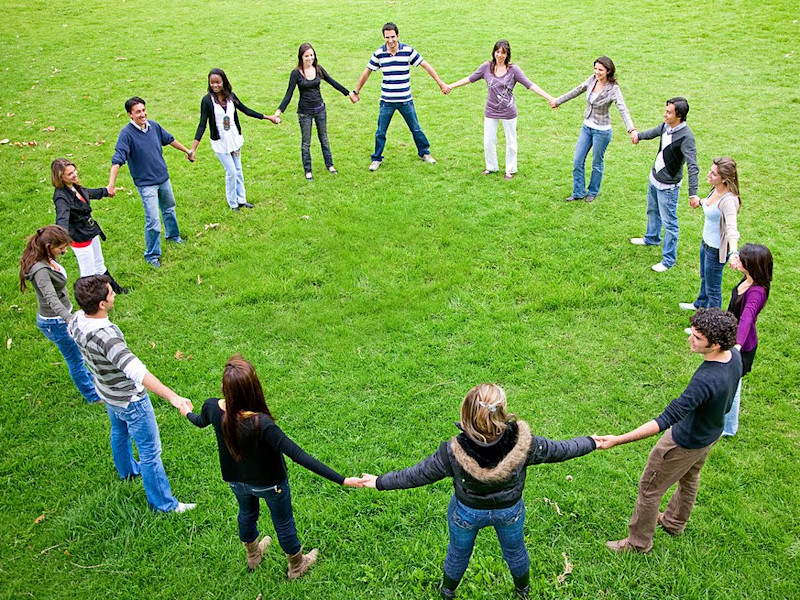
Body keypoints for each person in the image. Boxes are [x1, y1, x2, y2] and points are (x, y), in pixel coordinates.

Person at [360, 384, 596, 599]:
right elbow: (564, 449)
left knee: (457, 554)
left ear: (466, 412)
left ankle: (447, 592)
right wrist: (593, 441)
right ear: (502, 411)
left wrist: (379, 481)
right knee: (515, 552)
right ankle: (523, 592)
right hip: (509, 512)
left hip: (466, 514)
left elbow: (415, 475)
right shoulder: (526, 443)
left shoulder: (451, 452)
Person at [183, 356, 363, 576]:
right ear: (253, 389)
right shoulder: (261, 424)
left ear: (225, 387)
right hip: (270, 484)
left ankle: (253, 556)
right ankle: (297, 566)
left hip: (236, 481)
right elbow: (299, 455)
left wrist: (186, 412)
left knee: (246, 514)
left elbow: (199, 421)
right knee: (283, 522)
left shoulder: (212, 407)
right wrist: (343, 479)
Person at [595, 308, 742, 553]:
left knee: (650, 490)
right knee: (690, 478)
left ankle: (638, 543)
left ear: (715, 344)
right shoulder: (734, 355)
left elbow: (665, 419)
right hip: (709, 435)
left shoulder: (705, 380)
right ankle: (674, 523)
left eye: (697, 337)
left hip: (683, 442)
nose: (689, 339)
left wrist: (617, 439)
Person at [69, 274, 195, 513]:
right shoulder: (107, 337)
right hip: (130, 400)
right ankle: (165, 505)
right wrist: (172, 396)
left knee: (119, 432)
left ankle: (127, 470)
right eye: (110, 293)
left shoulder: (77, 320)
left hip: (107, 392)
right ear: (101, 305)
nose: (114, 293)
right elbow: (136, 371)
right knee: (150, 452)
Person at [447, 40, 554, 180]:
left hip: (508, 112)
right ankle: (491, 167)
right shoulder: (487, 67)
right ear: (494, 52)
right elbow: (470, 78)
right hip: (491, 111)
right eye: (497, 52)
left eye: (503, 53)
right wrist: (450, 86)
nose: (500, 55)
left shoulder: (513, 70)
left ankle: (510, 170)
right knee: (488, 140)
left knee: (511, 142)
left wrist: (549, 97)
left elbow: (530, 85)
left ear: (507, 54)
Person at [19, 225, 101, 404]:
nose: (64, 251)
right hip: (55, 323)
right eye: (62, 247)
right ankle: (93, 396)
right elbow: (51, 299)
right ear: (49, 246)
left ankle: (91, 381)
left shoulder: (45, 258)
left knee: (79, 353)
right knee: (75, 360)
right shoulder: (40, 271)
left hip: (61, 317)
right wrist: (69, 318)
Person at [109, 97, 194, 268]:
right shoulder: (126, 134)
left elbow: (169, 139)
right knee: (153, 220)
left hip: (163, 178)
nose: (143, 114)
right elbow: (118, 159)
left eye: (143, 110)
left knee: (169, 209)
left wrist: (187, 151)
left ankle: (173, 236)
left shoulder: (153, 126)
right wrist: (111, 184)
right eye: (138, 112)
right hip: (146, 184)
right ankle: (152, 255)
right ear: (130, 115)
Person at [353, 22, 450, 171]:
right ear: (383, 37)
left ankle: (424, 153)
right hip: (387, 101)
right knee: (380, 131)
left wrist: (441, 83)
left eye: (393, 37)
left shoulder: (408, 51)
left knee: (416, 129)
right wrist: (356, 91)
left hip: (405, 100)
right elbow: (367, 72)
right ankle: (376, 159)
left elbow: (426, 66)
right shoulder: (379, 53)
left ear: (398, 36)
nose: (390, 40)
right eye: (387, 37)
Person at [549, 56, 637, 202]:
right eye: (595, 68)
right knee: (578, 161)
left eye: (600, 70)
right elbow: (577, 90)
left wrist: (631, 129)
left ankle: (592, 192)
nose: (597, 72)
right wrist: (558, 101)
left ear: (608, 71)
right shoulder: (592, 79)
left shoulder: (613, 89)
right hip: (586, 127)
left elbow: (623, 109)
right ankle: (578, 192)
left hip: (602, 132)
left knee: (597, 163)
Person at [190, 69, 277, 211]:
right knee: (231, 171)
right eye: (212, 83)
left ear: (223, 81)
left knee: (238, 169)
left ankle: (241, 199)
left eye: (218, 82)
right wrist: (193, 148)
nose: (215, 85)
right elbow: (202, 124)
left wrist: (268, 118)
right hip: (220, 142)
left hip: (234, 138)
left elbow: (246, 110)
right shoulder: (207, 100)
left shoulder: (231, 97)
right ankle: (233, 203)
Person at [629, 97, 700, 272]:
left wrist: (693, 193)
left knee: (670, 223)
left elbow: (693, 166)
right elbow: (653, 132)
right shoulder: (666, 126)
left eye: (669, 112)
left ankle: (668, 260)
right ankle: (652, 237)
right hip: (654, 179)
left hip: (668, 188)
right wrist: (638, 136)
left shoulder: (686, 137)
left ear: (680, 116)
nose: (664, 114)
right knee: (652, 211)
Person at [274, 43, 358, 181]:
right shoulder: (296, 73)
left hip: (320, 109)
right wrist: (278, 111)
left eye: (311, 55)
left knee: (324, 138)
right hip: (304, 113)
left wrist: (349, 94)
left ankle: (329, 165)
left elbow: (333, 82)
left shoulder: (318, 69)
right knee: (306, 143)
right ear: (301, 57)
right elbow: (289, 94)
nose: (309, 58)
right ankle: (308, 170)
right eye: (306, 56)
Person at [51, 158, 128, 293]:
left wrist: (106, 191)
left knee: (99, 264)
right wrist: (61, 239)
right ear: (60, 178)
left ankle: (114, 290)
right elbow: (62, 219)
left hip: (90, 231)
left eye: (74, 171)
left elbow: (89, 193)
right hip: (80, 238)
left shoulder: (75, 186)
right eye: (70, 174)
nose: (75, 175)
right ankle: (90, 303)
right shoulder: (61, 197)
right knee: (88, 274)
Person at [723, 244, 772, 436]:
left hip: (741, 346)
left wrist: (737, 346)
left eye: (742, 259)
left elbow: (747, 319)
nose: (738, 260)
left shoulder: (756, 292)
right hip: (730, 338)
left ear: (752, 265)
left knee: (733, 387)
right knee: (726, 383)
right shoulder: (749, 278)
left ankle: (728, 428)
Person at [679, 157, 742, 311]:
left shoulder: (729, 201)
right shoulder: (716, 189)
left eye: (713, 174)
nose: (709, 175)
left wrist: (734, 252)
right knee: (704, 278)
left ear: (724, 179)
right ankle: (700, 304)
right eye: (711, 170)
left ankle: (712, 327)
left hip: (716, 250)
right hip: (706, 243)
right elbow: (709, 203)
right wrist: (699, 201)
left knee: (713, 289)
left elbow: (732, 229)